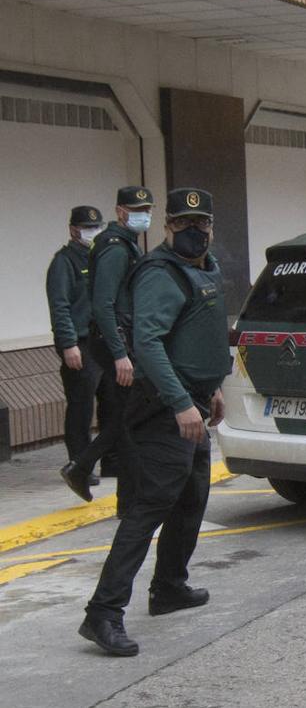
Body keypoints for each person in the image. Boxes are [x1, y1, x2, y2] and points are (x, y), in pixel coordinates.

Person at [79, 187, 231, 657]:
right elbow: (148, 342)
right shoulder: (160, 274)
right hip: (167, 407)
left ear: (211, 226)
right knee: (148, 509)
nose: (193, 231)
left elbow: (197, 335)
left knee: (191, 498)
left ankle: (168, 587)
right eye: (183, 224)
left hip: (197, 401)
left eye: (201, 223)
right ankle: (102, 614)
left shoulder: (204, 267)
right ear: (168, 227)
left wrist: (212, 390)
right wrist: (183, 403)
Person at [60, 186, 152, 503]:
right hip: (116, 343)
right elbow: (103, 305)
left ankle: (121, 493)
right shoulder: (115, 248)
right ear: (121, 212)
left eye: (148, 209)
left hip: (119, 340)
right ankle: (84, 467)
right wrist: (120, 354)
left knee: (125, 417)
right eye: (138, 210)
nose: (145, 216)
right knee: (128, 416)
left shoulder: (124, 244)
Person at [49, 206, 106, 487]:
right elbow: (60, 307)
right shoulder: (64, 262)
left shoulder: (98, 258)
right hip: (80, 343)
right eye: (87, 227)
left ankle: (111, 460)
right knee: (81, 407)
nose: (92, 232)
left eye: (96, 227)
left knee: (111, 404)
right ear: (73, 229)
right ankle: (79, 462)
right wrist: (68, 343)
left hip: (102, 342)